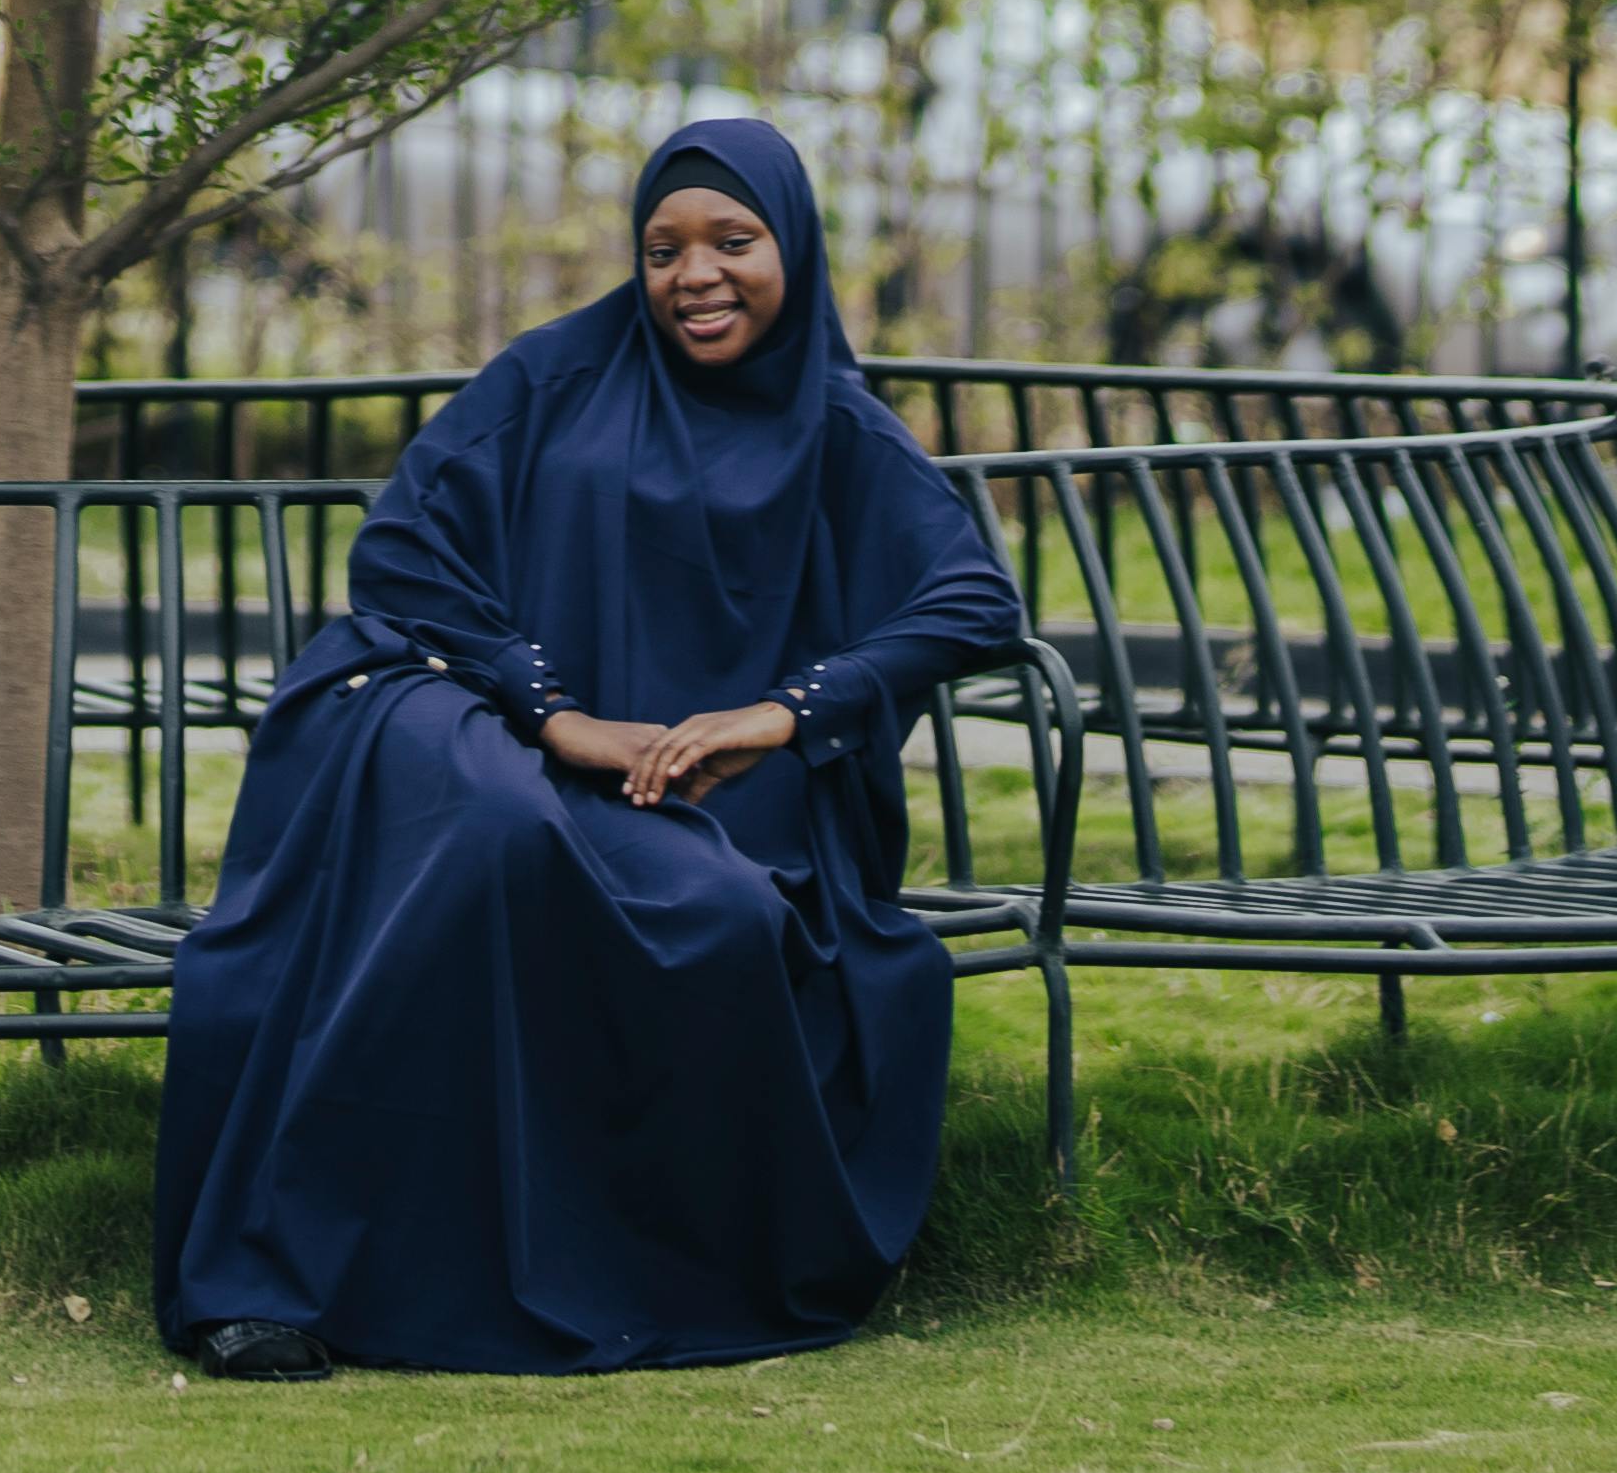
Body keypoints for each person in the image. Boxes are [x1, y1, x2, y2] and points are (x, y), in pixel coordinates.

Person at [148, 112, 1028, 1381]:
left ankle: (605, 1283)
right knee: (490, 831)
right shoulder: (552, 377)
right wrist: (554, 714)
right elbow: (403, 555)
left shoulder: (837, 428)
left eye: (732, 241)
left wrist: (779, 714)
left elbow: (972, 601)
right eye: (662, 249)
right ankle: (276, 1275)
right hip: (508, 746)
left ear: (794, 247)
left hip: (707, 809)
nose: (694, 275)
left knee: (714, 915)